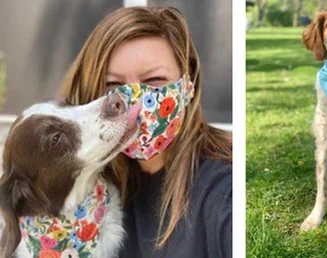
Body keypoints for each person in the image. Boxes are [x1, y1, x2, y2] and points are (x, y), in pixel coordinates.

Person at [59, 6, 232, 258]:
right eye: (113, 85)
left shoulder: (224, 192)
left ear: (188, 85)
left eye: (154, 81)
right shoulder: (90, 191)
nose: (134, 105)